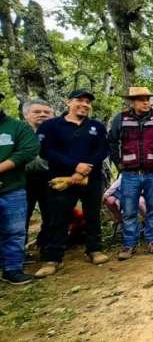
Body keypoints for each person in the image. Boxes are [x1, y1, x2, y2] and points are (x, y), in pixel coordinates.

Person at [34, 89, 110, 277]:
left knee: (93, 214)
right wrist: (75, 166)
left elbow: (102, 150)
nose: (85, 105)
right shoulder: (50, 126)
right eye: (80, 100)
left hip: (92, 178)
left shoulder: (96, 126)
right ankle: (53, 258)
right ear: (68, 102)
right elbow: (46, 151)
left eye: (87, 102)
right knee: (57, 218)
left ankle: (94, 249)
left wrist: (87, 167)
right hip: (61, 179)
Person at [107, 87, 153, 260]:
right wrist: (119, 164)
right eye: (141, 99)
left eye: (148, 99)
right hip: (130, 173)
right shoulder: (121, 118)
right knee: (129, 209)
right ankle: (129, 244)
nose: (146, 102)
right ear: (132, 102)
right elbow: (111, 142)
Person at [0, 92, 41, 284]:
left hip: (12, 188)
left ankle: (12, 269)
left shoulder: (17, 128)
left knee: (15, 231)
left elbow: (27, 151)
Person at [21, 100, 54, 250]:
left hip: (50, 178)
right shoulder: (18, 132)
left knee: (51, 214)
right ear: (26, 114)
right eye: (37, 112)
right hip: (22, 179)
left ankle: (45, 246)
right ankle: (17, 251)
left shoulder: (57, 132)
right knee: (21, 216)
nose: (42, 115)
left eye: (47, 112)